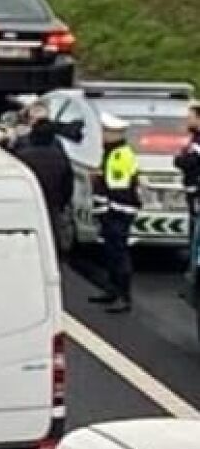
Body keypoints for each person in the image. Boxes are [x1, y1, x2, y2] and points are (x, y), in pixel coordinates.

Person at [90, 114, 141, 314]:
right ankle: (112, 290)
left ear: (114, 134)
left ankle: (123, 296)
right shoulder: (112, 152)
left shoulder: (119, 155)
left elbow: (117, 187)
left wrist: (97, 181)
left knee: (119, 253)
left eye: (105, 131)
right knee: (111, 252)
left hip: (118, 211)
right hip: (112, 210)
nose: (102, 135)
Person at [10, 110, 74, 247]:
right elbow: (68, 184)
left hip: (29, 201)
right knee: (52, 232)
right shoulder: (60, 158)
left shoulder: (22, 156)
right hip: (53, 203)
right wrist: (62, 203)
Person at [176, 102, 200, 294]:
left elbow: (187, 162)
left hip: (197, 195)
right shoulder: (194, 140)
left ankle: (193, 280)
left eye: (190, 116)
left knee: (196, 238)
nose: (187, 119)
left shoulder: (197, 143)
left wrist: (181, 158)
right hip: (193, 194)